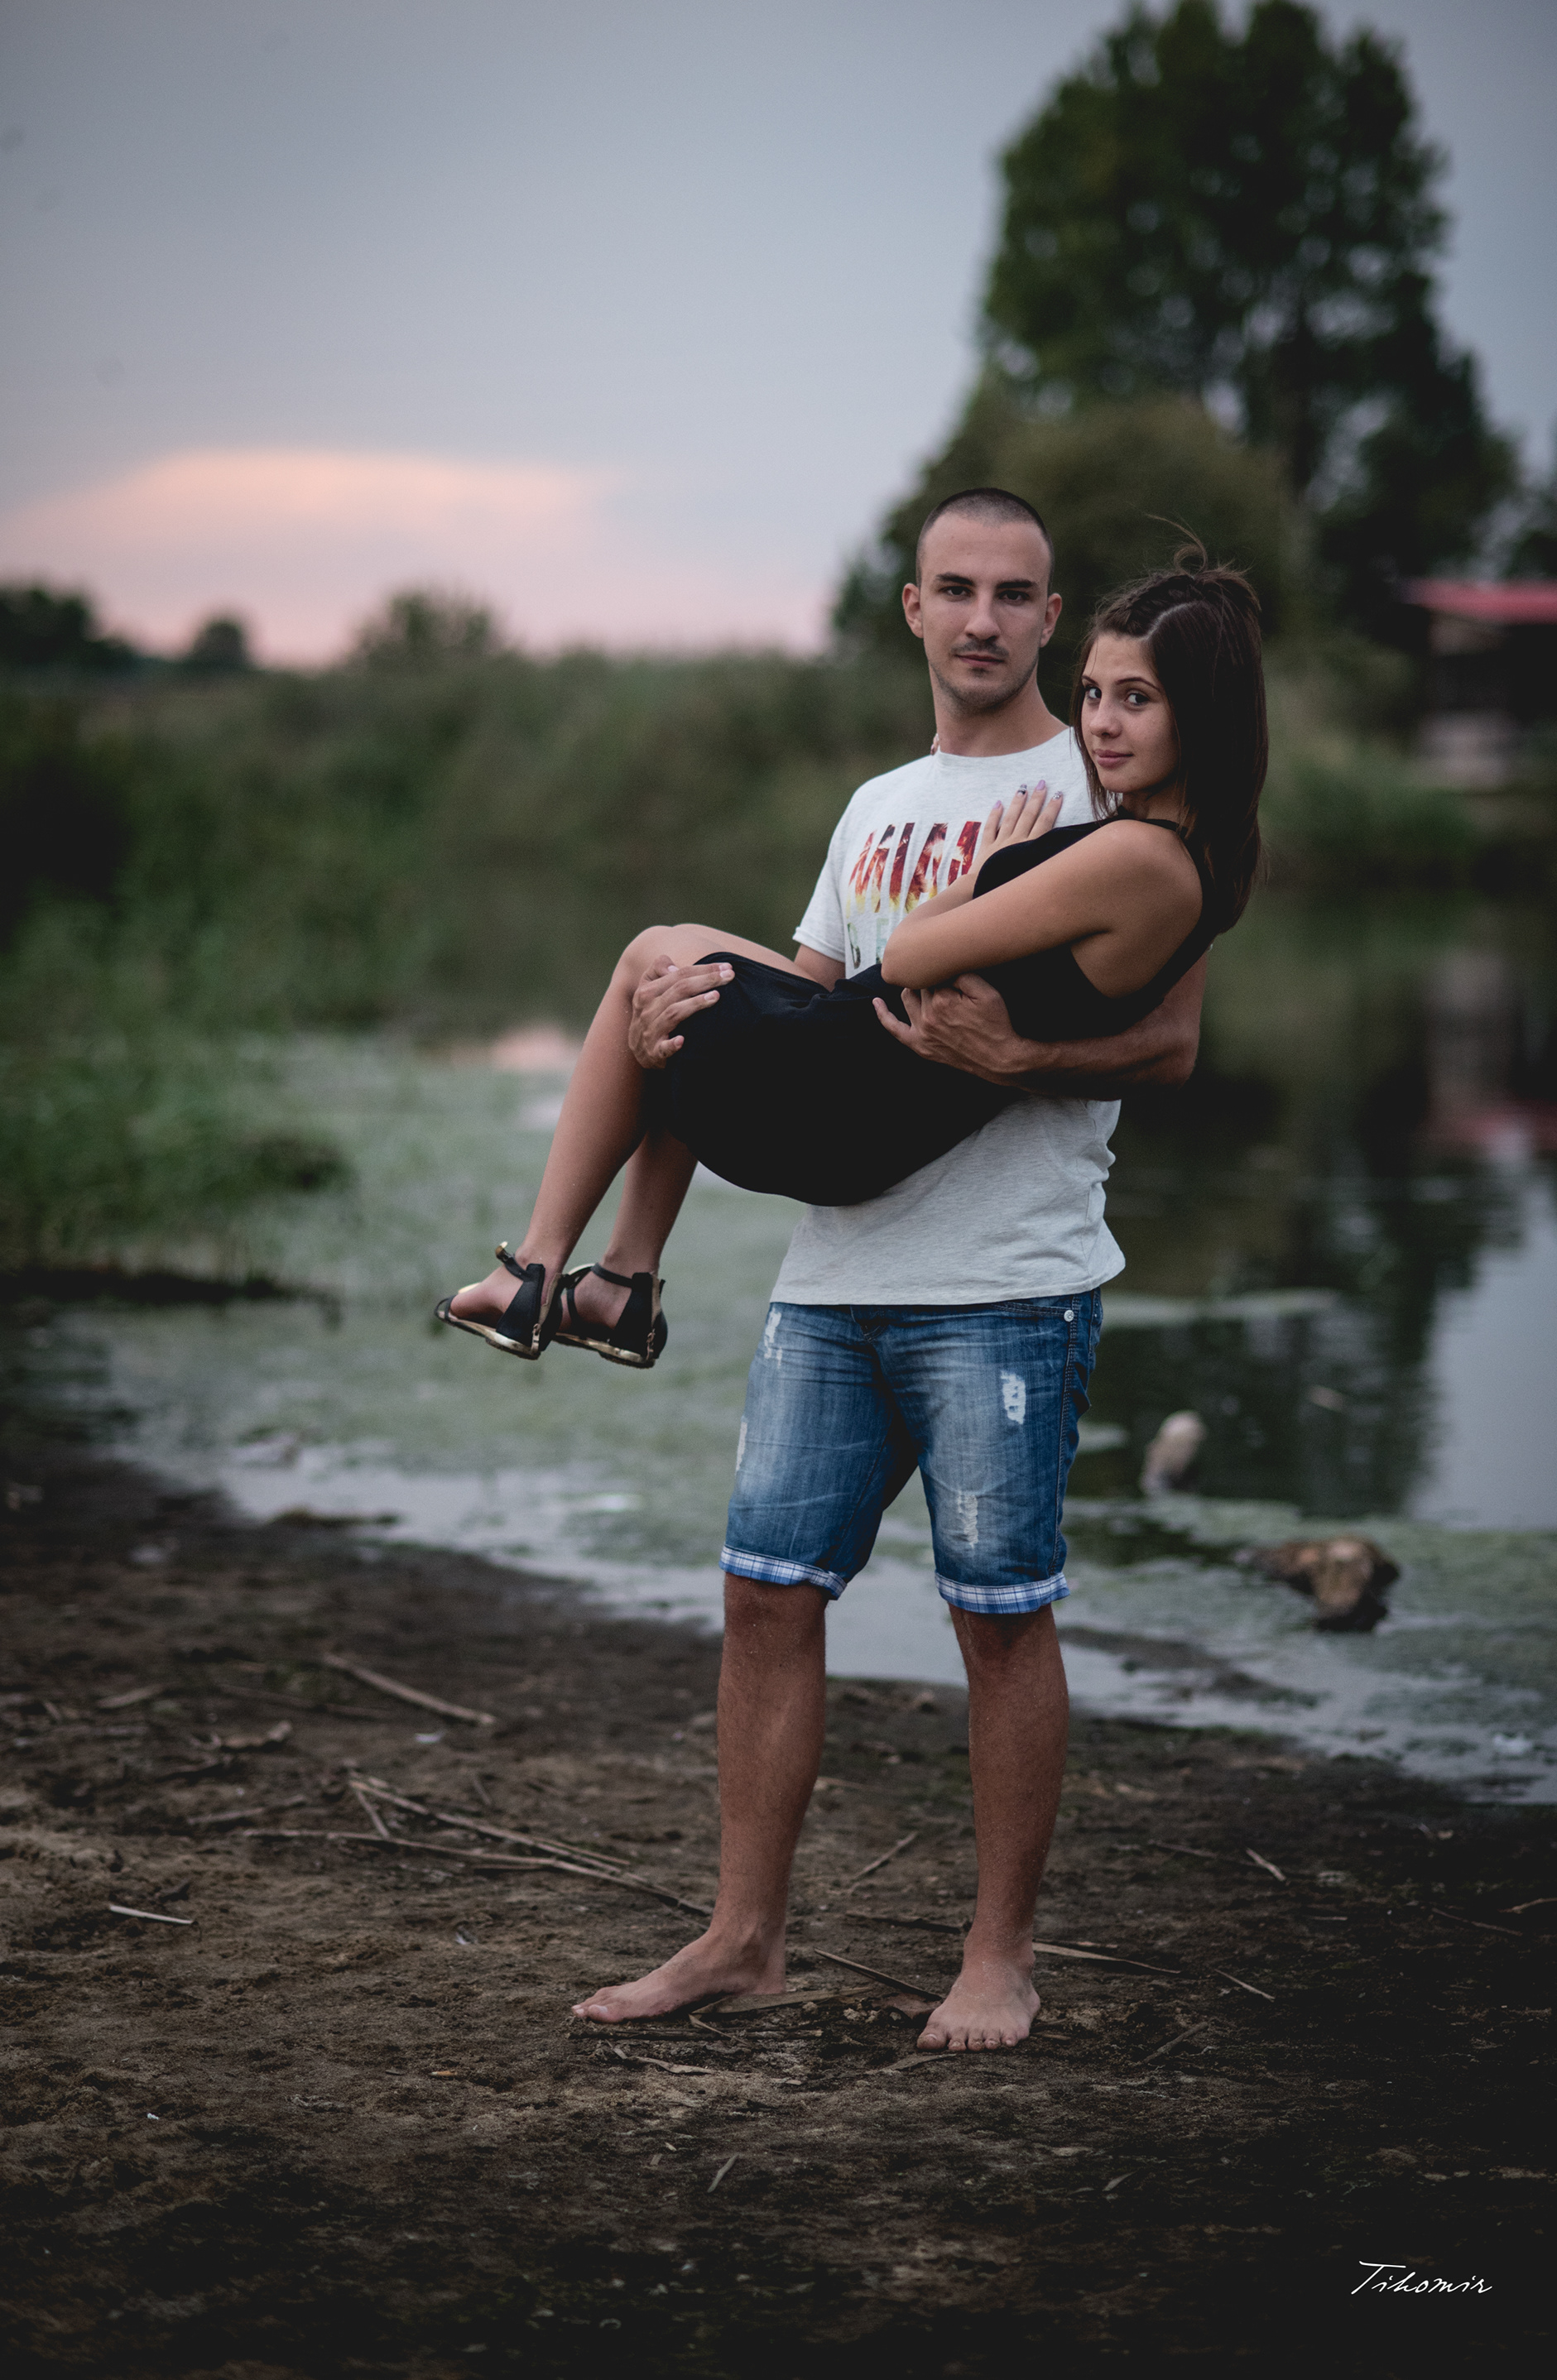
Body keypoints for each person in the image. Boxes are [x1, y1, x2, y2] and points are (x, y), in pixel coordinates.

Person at [443, 492, 1266, 2048]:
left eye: (1015, 596)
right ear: (913, 608)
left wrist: (1025, 1057)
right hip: (832, 1277)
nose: (985, 622)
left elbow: (1169, 1043)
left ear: (1050, 612)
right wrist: (692, 1005)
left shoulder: (1106, 797)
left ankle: (998, 1959)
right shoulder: (879, 801)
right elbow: (825, 1002)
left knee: (999, 1618)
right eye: (955, 590)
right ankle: (741, 1939)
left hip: (1003, 1278)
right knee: (764, 1596)